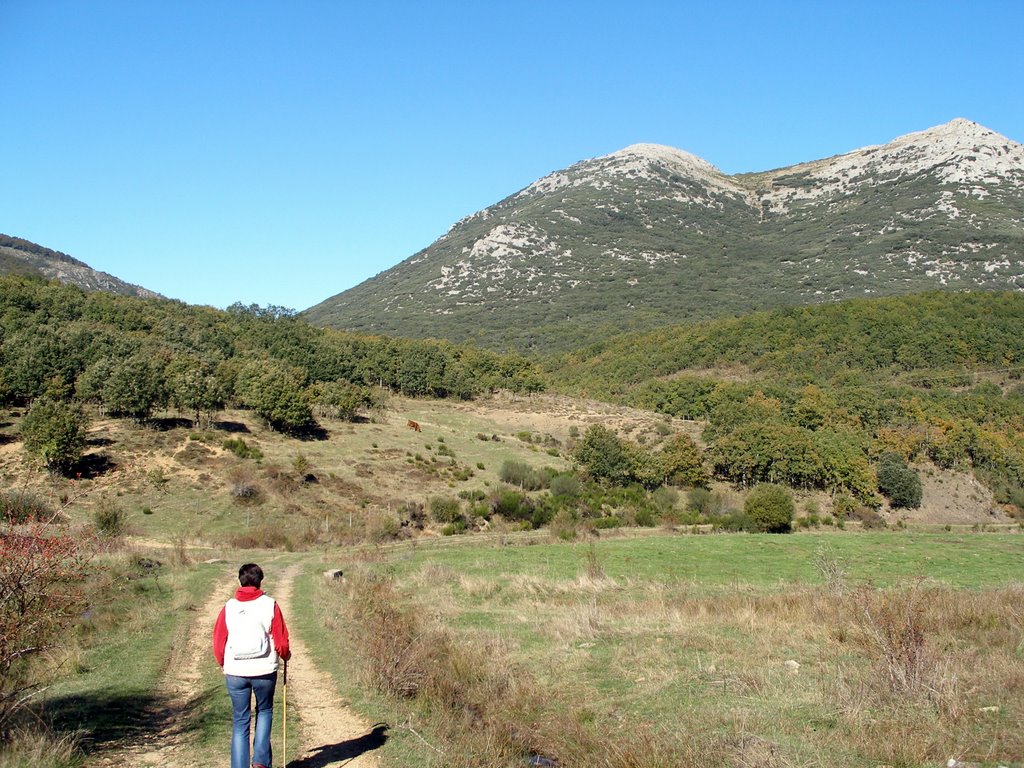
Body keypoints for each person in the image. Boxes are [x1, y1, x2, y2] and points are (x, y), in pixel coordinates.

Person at [213, 563, 291, 768]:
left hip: (236, 672)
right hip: (264, 670)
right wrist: (285, 655)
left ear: (240, 581)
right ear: (260, 581)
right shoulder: (270, 604)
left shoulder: (229, 607)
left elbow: (218, 640)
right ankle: (260, 763)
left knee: (240, 722)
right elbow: (281, 642)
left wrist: (223, 662)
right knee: (264, 711)